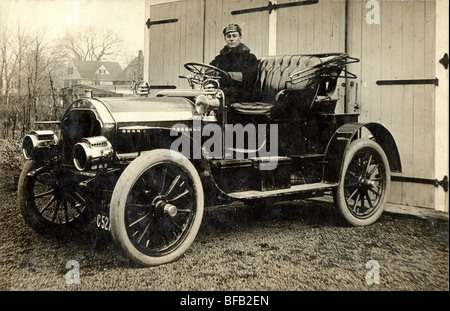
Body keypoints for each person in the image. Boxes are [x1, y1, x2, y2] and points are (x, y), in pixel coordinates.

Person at [210, 24, 258, 103]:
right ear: (225, 38)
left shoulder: (249, 57)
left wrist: (225, 75)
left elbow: (249, 79)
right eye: (228, 36)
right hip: (221, 92)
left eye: (234, 36)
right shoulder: (219, 59)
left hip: (242, 95)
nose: (231, 39)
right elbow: (209, 70)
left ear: (240, 37)